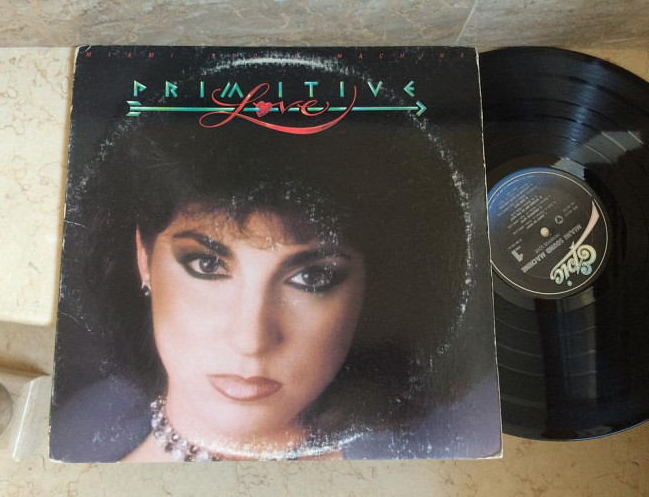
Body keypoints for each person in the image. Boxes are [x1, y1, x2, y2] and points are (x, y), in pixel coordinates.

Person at [51, 86, 487, 461]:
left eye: (311, 279)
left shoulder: (458, 448)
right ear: (143, 257)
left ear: (368, 289)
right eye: (207, 264)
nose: (251, 340)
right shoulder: (76, 431)